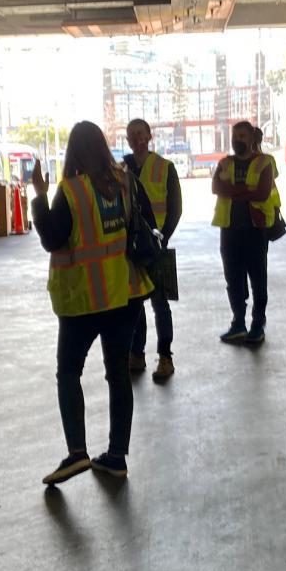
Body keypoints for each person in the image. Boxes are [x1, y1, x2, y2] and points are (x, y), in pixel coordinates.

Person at [31, 121, 153, 485]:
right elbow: (147, 223)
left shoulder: (70, 191)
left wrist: (38, 194)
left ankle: (77, 452)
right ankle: (116, 456)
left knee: (69, 373)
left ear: (73, 152)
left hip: (82, 301)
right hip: (123, 295)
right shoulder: (127, 182)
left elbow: (52, 239)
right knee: (118, 375)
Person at [123, 118, 182, 381]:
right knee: (135, 304)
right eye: (131, 135)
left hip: (156, 247)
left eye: (140, 134)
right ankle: (137, 354)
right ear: (127, 140)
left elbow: (175, 207)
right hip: (130, 249)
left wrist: (163, 236)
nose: (137, 139)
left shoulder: (165, 167)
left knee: (160, 304)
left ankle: (165, 358)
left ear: (149, 136)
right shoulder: (120, 169)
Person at [212, 120, 276, 345]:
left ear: (251, 139)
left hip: (255, 230)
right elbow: (216, 188)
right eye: (235, 136)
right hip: (229, 230)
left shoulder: (265, 162)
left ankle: (258, 324)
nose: (237, 140)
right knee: (233, 279)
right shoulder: (225, 162)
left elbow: (262, 193)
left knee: (258, 278)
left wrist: (232, 192)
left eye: (242, 136)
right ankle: (238, 323)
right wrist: (246, 191)